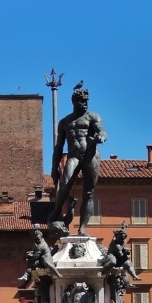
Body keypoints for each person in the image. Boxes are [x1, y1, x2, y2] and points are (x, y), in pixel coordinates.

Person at [48, 83, 107, 234]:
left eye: (87, 101)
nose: (85, 104)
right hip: (73, 156)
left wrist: (101, 137)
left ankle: (82, 228)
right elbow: (58, 147)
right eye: (82, 101)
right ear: (74, 102)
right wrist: (54, 167)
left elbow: (102, 131)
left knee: (89, 193)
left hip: (91, 155)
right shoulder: (65, 122)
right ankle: (56, 211)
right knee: (65, 184)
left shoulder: (93, 117)